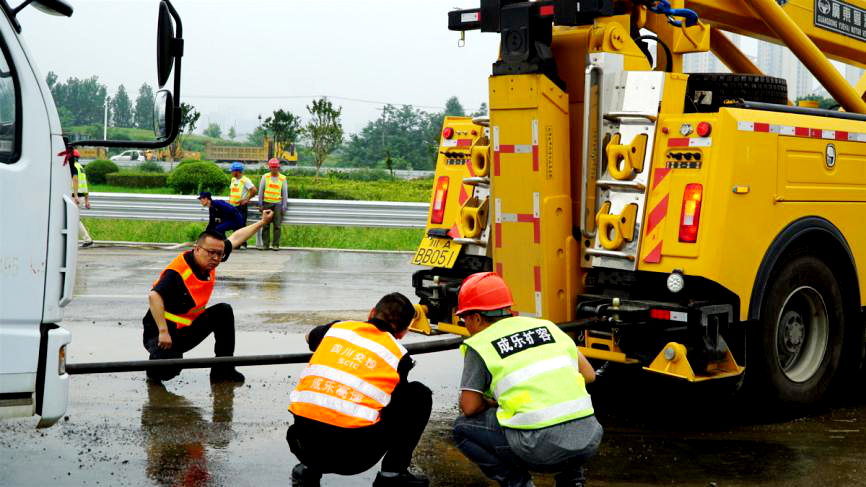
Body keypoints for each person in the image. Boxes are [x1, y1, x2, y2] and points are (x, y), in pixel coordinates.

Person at [453, 272, 602, 487]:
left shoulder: (480, 344)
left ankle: (518, 483)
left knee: (462, 429)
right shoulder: (547, 327)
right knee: (565, 412)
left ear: (476, 317)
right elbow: (589, 374)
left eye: (464, 318)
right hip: (588, 440)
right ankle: (573, 482)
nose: (465, 324)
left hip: (539, 449)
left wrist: (494, 402)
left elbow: (469, 406)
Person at [286, 292, 432, 487]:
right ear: (403, 332)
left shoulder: (337, 329)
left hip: (300, 443)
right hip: (352, 458)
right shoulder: (398, 355)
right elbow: (393, 406)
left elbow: (309, 337)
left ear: (372, 313)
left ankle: (307, 469)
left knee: (322, 396)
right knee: (418, 395)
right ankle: (392, 475)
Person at [142, 209, 275, 384]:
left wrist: (262, 223)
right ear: (197, 249)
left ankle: (223, 369)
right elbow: (154, 296)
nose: (215, 257)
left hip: (187, 328)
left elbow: (235, 239)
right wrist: (164, 332)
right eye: (210, 252)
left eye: (219, 254)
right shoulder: (178, 272)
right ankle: (155, 368)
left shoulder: (210, 260)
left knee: (223, 311)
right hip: (162, 332)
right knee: (168, 370)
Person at [62, 146, 94, 247]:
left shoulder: (73, 167)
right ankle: (78, 239)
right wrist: (87, 199)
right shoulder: (80, 167)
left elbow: (75, 180)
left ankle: (87, 239)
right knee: (73, 219)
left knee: (74, 219)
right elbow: (85, 184)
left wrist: (75, 195)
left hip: (75, 197)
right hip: (81, 197)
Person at [258, 158, 287, 250]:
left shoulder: (283, 178)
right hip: (266, 203)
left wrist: (284, 206)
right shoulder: (265, 177)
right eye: (272, 167)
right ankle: (265, 244)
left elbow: (285, 193)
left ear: (278, 167)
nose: (274, 169)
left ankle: (275, 244)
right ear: (269, 168)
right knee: (265, 225)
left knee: (277, 226)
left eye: (276, 167)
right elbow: (261, 191)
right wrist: (260, 204)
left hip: (277, 204)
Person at [228, 162, 257, 248]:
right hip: (233, 206)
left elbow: (254, 190)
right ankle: (236, 243)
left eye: (232, 171)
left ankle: (243, 244)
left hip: (241, 207)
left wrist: (247, 199)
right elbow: (231, 191)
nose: (231, 173)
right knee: (235, 224)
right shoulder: (233, 180)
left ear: (237, 171)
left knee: (241, 225)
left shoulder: (245, 180)